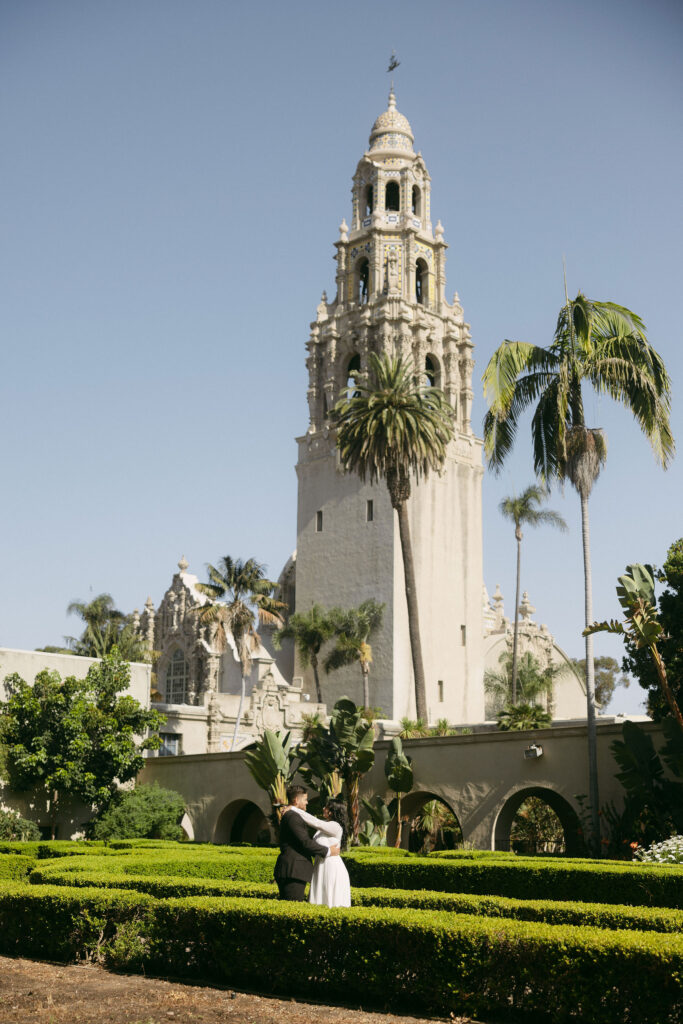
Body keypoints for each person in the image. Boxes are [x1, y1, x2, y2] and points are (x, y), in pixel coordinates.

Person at [273, 784, 340, 901]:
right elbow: (305, 842)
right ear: (296, 800)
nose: (307, 802)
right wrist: (328, 851)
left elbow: (315, 825)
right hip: (293, 870)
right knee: (292, 910)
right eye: (305, 799)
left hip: (295, 870)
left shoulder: (293, 815)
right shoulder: (292, 817)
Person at [290, 799, 351, 908]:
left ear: (332, 811)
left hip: (331, 867)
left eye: (326, 807)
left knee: (330, 900)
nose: (323, 808)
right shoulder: (324, 827)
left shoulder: (335, 826)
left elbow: (315, 822)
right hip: (321, 865)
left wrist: (293, 809)